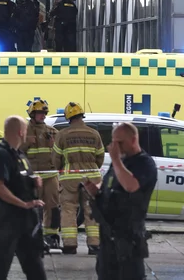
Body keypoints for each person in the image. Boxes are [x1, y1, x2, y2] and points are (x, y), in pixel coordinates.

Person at [83, 123, 157, 280]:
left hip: (128, 240)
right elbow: (108, 185)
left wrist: (116, 160)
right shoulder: (118, 163)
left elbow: (131, 186)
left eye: (120, 142)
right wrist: (95, 189)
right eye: (113, 142)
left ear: (133, 139)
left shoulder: (144, 163)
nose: (115, 146)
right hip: (108, 239)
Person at [0, 115, 47, 280]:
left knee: (36, 271)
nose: (27, 133)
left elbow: (18, 179)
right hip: (7, 222)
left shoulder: (19, 155)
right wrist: (24, 204)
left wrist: (33, 181)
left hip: (25, 224)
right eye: (26, 130)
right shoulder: (0, 154)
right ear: (21, 132)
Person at [53, 102, 104, 255]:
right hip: (92, 176)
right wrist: (91, 167)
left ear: (68, 117)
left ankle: (70, 245)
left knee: (68, 209)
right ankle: (94, 245)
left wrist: (62, 170)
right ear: (82, 115)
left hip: (70, 177)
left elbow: (56, 158)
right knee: (92, 210)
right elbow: (100, 157)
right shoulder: (94, 134)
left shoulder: (62, 134)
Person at [21, 99, 61, 249]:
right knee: (31, 207)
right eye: (39, 113)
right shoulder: (24, 131)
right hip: (33, 176)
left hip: (50, 175)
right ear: (32, 114)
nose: (42, 116)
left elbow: (60, 153)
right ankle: (30, 235)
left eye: (44, 113)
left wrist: (53, 146)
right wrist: (27, 142)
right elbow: (17, 151)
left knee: (52, 206)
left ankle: (51, 235)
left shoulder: (53, 132)